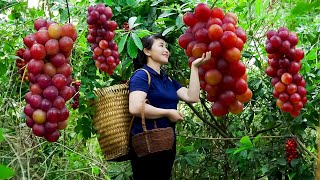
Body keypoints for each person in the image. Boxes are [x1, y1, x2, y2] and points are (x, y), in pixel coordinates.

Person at [128, 33, 211, 180]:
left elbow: (192, 97)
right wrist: (168, 112)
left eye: (166, 46)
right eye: (161, 46)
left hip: (166, 143)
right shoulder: (141, 75)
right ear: (147, 51)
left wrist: (195, 67)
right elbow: (135, 107)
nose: (166, 50)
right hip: (147, 144)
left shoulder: (168, 79)